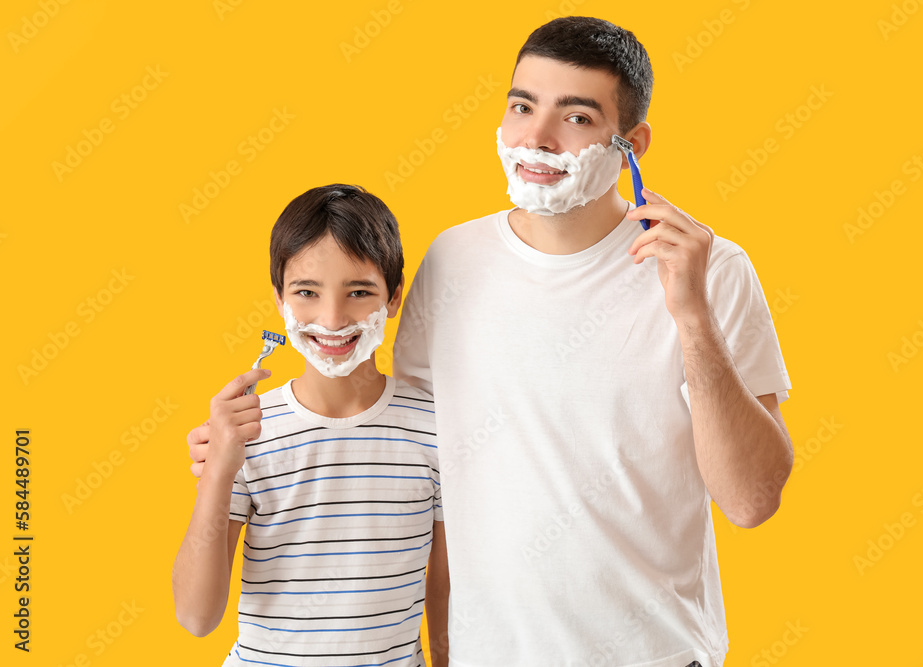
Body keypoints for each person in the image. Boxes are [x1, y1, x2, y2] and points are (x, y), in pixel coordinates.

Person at [391, 16, 793, 667]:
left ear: (630, 143)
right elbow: (420, 478)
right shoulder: (452, 261)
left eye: (576, 118)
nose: (537, 138)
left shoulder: (713, 268)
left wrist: (691, 315)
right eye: (522, 106)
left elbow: (751, 499)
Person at [173, 184, 448, 667]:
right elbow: (197, 617)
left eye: (359, 292)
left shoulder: (436, 428)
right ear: (279, 301)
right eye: (307, 292)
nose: (333, 318)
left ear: (394, 298)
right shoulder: (245, 432)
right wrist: (219, 468)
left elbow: (445, 589)